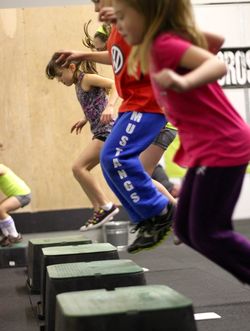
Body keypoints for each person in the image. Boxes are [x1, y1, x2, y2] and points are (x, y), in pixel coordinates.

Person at [114, 0, 250, 284]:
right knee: (187, 230)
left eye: (123, 17)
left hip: (222, 145)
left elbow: (216, 65)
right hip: (208, 147)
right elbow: (215, 40)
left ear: (150, 15)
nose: (118, 26)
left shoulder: (164, 45)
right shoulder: (148, 50)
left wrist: (184, 82)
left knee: (205, 231)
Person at [56, 0, 176, 253]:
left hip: (148, 104)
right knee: (110, 163)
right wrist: (84, 54)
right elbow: (116, 57)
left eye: (99, 2)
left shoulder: (134, 18)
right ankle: (147, 219)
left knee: (116, 157)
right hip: (132, 105)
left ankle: (162, 210)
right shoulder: (116, 31)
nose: (96, 9)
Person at [46, 53, 120, 231]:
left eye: (59, 75)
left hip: (107, 131)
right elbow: (94, 102)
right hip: (100, 131)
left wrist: (111, 106)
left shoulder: (86, 78)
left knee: (78, 168)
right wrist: (85, 119)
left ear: (71, 67)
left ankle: (106, 206)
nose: (59, 80)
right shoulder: (78, 84)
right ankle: (99, 210)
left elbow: (114, 84)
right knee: (80, 170)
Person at [0, 164, 31, 246]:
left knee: (1, 209)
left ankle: (15, 236)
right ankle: (7, 236)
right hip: (16, 194)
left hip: (23, 194)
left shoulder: (1, 167)